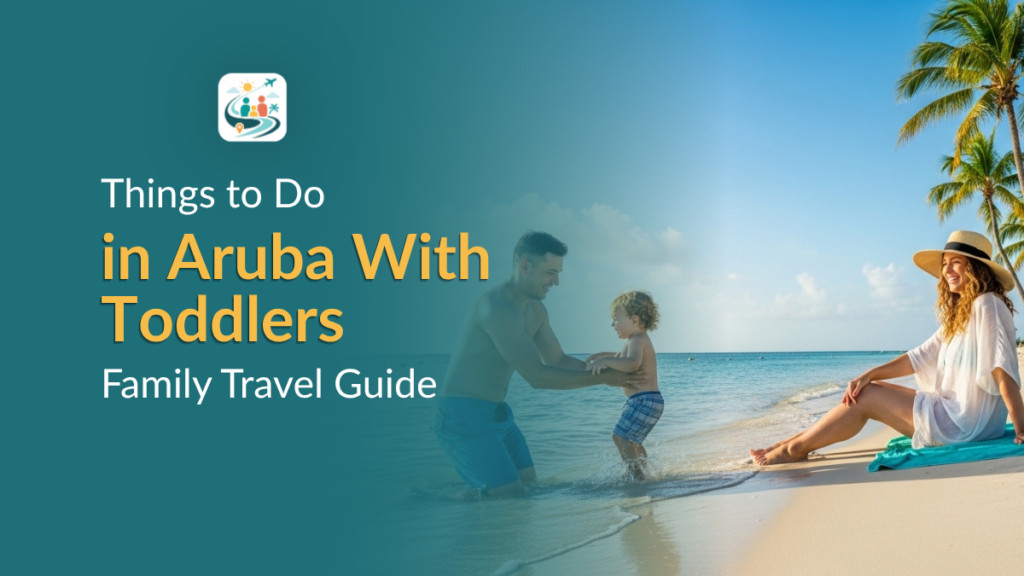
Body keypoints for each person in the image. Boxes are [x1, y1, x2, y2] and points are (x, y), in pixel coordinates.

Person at [751, 230, 1024, 466]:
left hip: (965, 425)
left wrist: (1021, 427)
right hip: (960, 416)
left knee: (865, 397)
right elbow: (918, 357)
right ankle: (789, 443)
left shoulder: (987, 304)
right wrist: (870, 373)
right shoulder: (963, 313)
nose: (947, 270)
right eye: (945, 264)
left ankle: (793, 450)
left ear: (976, 268)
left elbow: (1001, 369)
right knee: (863, 389)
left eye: (956, 263)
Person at [434, 231, 644, 496]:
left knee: (530, 489)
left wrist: (613, 370)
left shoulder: (535, 309)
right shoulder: (496, 309)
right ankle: (432, 500)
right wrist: (602, 379)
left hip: (499, 413)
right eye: (550, 273)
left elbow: (557, 359)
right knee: (510, 497)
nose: (556, 282)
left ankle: (470, 490)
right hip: (462, 415)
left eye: (558, 273)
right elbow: (537, 377)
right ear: (525, 266)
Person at [586, 290, 662, 480]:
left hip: (642, 401)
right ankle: (645, 473)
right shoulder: (636, 340)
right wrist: (605, 356)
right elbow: (624, 357)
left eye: (616, 320)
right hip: (649, 400)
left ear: (634, 320)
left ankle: (636, 476)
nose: (613, 325)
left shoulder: (638, 339)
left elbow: (632, 363)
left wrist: (606, 362)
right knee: (633, 442)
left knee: (619, 437)